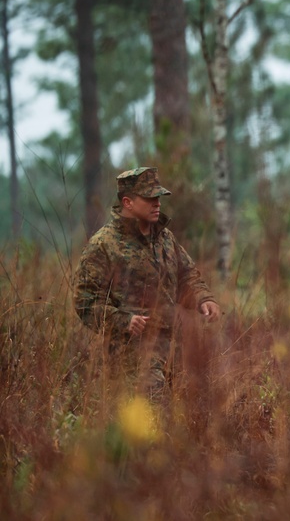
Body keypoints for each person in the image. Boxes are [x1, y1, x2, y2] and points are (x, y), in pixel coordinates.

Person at [74, 167, 221, 398]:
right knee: (153, 419)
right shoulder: (103, 245)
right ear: (127, 202)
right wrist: (123, 321)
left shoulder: (164, 238)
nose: (157, 203)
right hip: (133, 356)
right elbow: (85, 302)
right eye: (149, 198)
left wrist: (203, 299)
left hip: (176, 349)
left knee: (186, 420)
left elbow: (186, 275)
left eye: (158, 197)